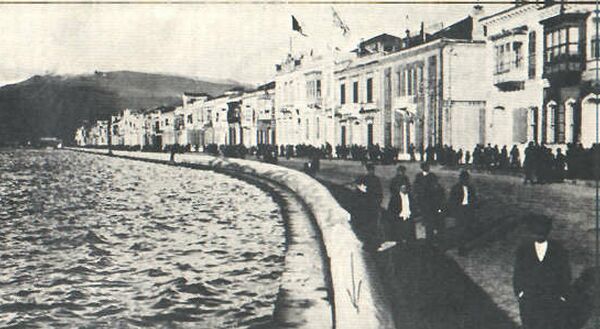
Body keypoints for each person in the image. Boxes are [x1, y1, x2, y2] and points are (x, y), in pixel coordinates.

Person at [513, 214, 571, 329]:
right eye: (536, 233)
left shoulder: (558, 250)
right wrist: (519, 292)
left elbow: (565, 273)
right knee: (530, 323)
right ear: (532, 232)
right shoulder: (523, 250)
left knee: (550, 323)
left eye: (542, 233)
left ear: (548, 232)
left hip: (551, 296)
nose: (539, 236)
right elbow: (518, 272)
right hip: (529, 296)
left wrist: (563, 294)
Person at [353, 163, 384, 248]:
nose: (370, 172)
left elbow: (379, 193)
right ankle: (371, 242)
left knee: (370, 224)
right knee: (371, 224)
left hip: (369, 206)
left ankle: (370, 242)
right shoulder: (369, 179)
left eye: (371, 170)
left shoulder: (365, 179)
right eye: (369, 170)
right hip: (369, 206)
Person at [413, 162, 444, 242]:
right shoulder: (419, 176)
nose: (427, 168)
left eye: (428, 166)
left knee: (431, 219)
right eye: (425, 167)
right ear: (422, 168)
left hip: (431, 201)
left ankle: (431, 235)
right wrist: (418, 194)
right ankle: (428, 234)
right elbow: (416, 186)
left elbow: (435, 187)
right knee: (426, 217)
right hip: (422, 200)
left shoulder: (432, 176)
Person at [449, 170, 477, 256]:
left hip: (467, 210)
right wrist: (455, 212)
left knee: (466, 230)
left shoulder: (470, 188)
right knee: (460, 230)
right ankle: (460, 248)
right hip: (460, 211)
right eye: (464, 179)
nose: (465, 180)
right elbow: (452, 201)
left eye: (467, 179)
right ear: (460, 179)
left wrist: (472, 209)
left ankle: (463, 246)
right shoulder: (455, 188)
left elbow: (474, 199)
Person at [381, 183, 416, 251]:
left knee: (409, 238)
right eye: (403, 188)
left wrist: (412, 214)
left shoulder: (410, 197)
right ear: (399, 188)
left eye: (406, 188)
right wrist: (396, 217)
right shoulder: (395, 198)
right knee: (399, 238)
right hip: (399, 220)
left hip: (409, 219)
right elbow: (391, 210)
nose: (404, 189)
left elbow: (414, 207)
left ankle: (409, 250)